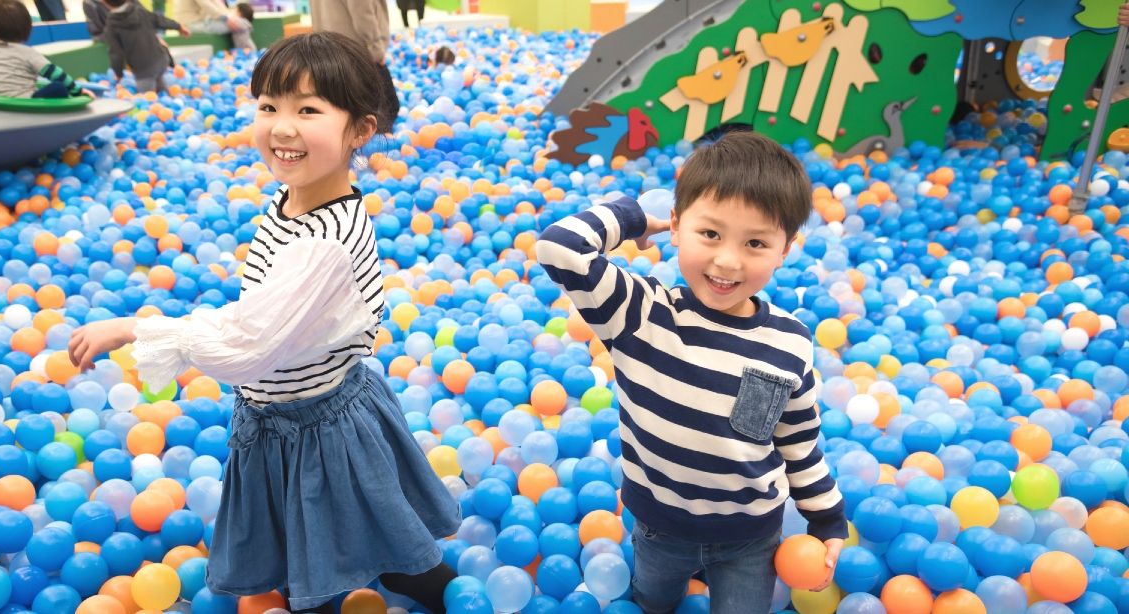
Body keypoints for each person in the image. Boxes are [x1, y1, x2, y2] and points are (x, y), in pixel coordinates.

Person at [66, 32, 461, 614]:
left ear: (360, 131)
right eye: (269, 106)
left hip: (318, 427)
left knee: (346, 552)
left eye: (308, 110)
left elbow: (250, 347)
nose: (281, 126)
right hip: (292, 415)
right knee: (342, 529)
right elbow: (263, 314)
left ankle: (434, 590)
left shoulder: (323, 242)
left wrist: (138, 328)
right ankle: (416, 581)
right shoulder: (293, 199)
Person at [536, 131, 847, 614]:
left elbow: (798, 444)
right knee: (653, 603)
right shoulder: (640, 311)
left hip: (751, 537)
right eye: (710, 234)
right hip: (660, 528)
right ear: (677, 227)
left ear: (785, 249)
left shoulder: (787, 343)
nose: (728, 260)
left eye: (756, 242)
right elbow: (560, 247)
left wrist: (826, 519)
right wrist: (636, 218)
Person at [307, 0, 397, 133]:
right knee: (383, 110)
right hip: (357, 50)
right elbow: (362, 8)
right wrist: (375, 46)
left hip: (331, 46)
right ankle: (375, 150)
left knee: (344, 111)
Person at [0, 0, 88, 97]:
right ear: (27, 30)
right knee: (58, 88)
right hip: (25, 103)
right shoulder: (28, 53)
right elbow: (55, 74)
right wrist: (77, 91)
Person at [100, 0, 187, 93]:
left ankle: (158, 102)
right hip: (160, 58)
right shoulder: (139, 11)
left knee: (148, 98)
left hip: (143, 69)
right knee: (160, 88)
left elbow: (116, 53)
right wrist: (178, 26)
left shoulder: (112, 26)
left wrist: (118, 73)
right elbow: (159, 20)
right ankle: (165, 97)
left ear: (103, 1)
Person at [172, 0, 252, 50]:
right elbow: (204, 3)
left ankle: (247, 52)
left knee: (239, 22)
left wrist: (229, 16)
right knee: (241, 24)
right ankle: (247, 52)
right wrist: (226, 18)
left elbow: (215, 1)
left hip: (202, 21)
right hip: (189, 24)